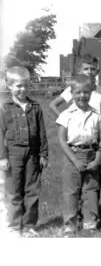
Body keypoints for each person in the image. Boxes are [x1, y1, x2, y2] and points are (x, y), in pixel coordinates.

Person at [0, 66, 48, 237]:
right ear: (9, 85)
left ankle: (28, 226)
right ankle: (14, 226)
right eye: (18, 86)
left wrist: (43, 154)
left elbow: (42, 132)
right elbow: (0, 134)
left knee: (32, 189)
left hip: (33, 155)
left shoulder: (35, 107)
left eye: (25, 85)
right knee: (14, 190)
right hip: (13, 155)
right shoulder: (5, 108)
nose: (22, 89)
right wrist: (2, 157)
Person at [56, 74, 101, 234]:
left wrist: (98, 158)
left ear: (91, 93)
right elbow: (62, 140)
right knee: (71, 191)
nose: (82, 96)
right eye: (78, 92)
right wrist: (74, 160)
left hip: (91, 155)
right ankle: (70, 224)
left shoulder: (97, 116)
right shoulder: (66, 115)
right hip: (73, 155)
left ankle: (90, 223)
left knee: (90, 190)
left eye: (85, 92)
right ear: (71, 93)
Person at [49, 53, 101, 120]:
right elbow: (52, 105)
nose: (89, 71)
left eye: (92, 69)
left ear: (97, 72)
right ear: (80, 71)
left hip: (95, 128)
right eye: (86, 69)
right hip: (77, 128)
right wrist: (64, 120)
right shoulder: (74, 88)